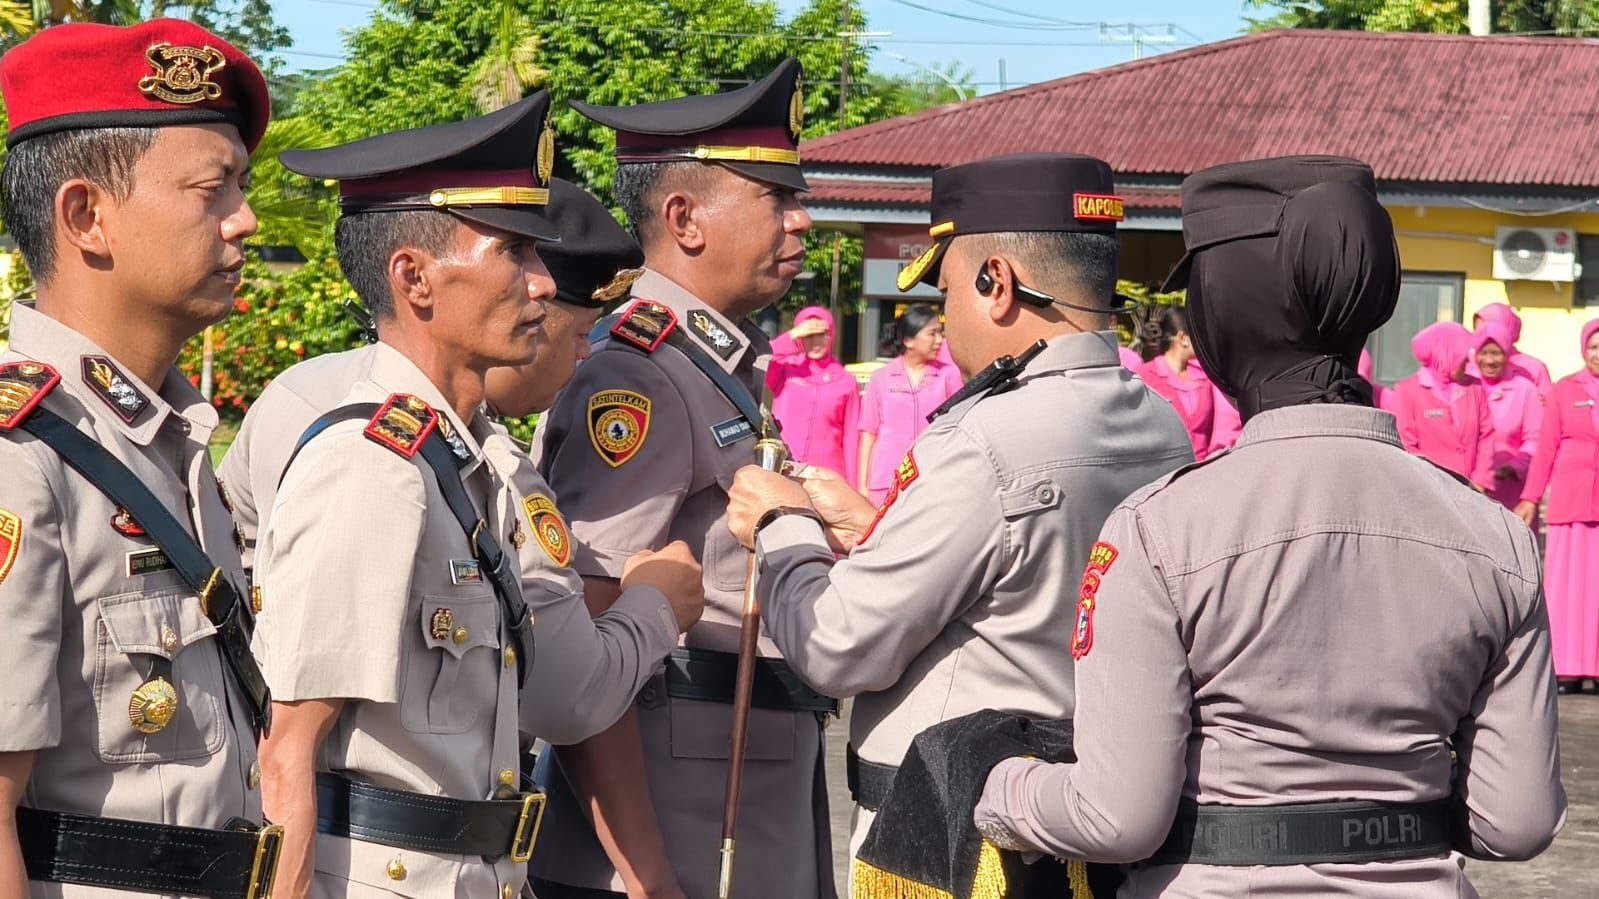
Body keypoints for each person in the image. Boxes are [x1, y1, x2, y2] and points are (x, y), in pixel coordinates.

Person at [972, 155, 1565, 898]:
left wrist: (994, 785)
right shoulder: (1492, 537)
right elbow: (1515, 822)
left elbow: (1115, 814)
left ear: (1225, 312)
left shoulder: (1160, 529)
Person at [248, 94, 701, 899]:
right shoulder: (372, 464)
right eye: (515, 252)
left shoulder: (465, 460)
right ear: (413, 277)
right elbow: (286, 755)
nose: (539, 281)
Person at [723, 152, 1194, 865]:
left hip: (954, 840)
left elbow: (836, 644)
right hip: (1079, 817)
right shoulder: (1159, 420)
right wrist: (864, 526)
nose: (945, 321)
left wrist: (780, 523)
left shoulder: (983, 440)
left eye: (946, 293)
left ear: (995, 283)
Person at [221, 176, 693, 762]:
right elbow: (568, 697)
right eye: (577, 331)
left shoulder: (299, 392)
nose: (586, 354)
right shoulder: (399, 457)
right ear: (413, 278)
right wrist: (657, 604)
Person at [527, 59, 831, 899]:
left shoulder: (715, 358)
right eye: (776, 199)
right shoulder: (641, 377)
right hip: (675, 816)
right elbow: (586, 630)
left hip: (743, 775)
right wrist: (646, 872)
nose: (802, 221)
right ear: (684, 217)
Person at [0, 20, 284, 898]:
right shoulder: (24, 454)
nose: (247, 219)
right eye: (214, 189)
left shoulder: (169, 443)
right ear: (87, 216)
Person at [1515, 319, 1599, 693]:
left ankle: (1594, 668)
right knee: (1566, 587)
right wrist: (1530, 498)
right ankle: (1565, 668)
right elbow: (1546, 448)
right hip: (1569, 501)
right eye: (1594, 346)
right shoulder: (1565, 390)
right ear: (1584, 350)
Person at [857, 303, 962, 503]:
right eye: (932, 334)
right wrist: (863, 485)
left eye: (941, 333)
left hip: (932, 477)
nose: (939, 340)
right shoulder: (881, 378)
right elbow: (868, 434)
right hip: (885, 480)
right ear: (909, 340)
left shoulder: (949, 376)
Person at [1392, 321, 1495, 490]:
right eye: (1461, 353)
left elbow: (1487, 435)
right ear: (1445, 353)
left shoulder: (1475, 388)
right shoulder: (1407, 392)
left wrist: (1480, 481)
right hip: (1429, 491)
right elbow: (1407, 446)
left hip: (1472, 492)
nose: (1467, 361)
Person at [766, 305, 860, 482]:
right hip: (784, 469)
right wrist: (792, 335)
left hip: (827, 476)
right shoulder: (785, 369)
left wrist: (852, 485)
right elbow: (761, 357)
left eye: (822, 335)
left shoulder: (846, 380)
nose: (815, 342)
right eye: (809, 336)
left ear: (831, 336)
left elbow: (852, 439)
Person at [1136, 306, 1239, 459]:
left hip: (1204, 469)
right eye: (1198, 337)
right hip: (1166, 471)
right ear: (1183, 338)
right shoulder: (1145, 377)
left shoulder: (1205, 376)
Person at [1474, 321, 1542, 517]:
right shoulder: (1468, 386)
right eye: (1483, 353)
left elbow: (1535, 438)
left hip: (1512, 488)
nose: (1489, 360)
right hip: (1471, 486)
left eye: (1497, 353)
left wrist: (1514, 467)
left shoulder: (1524, 389)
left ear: (1508, 354)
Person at [1473, 302, 1553, 394]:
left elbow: (1547, 405)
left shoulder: (1534, 369)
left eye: (1489, 330)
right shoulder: (1468, 364)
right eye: (1477, 330)